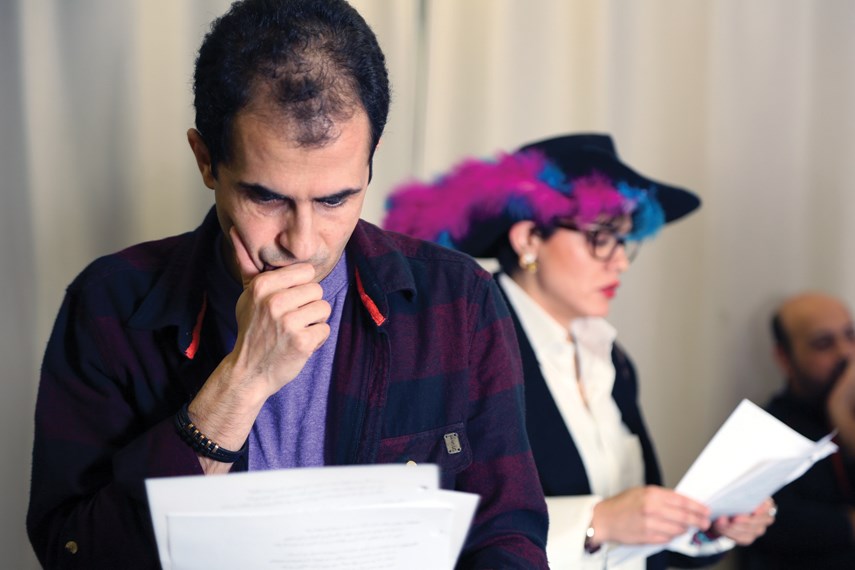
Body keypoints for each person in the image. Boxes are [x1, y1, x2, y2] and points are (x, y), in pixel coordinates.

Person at [25, 1, 549, 568]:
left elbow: (507, 537)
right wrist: (241, 384)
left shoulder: (458, 301)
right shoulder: (110, 305)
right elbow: (72, 553)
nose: (303, 243)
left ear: (370, 164)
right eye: (267, 197)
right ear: (206, 161)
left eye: (335, 199)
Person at [383, 133, 775, 569]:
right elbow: (430, 525)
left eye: (624, 240)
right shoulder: (463, 347)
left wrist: (705, 525)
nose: (620, 261)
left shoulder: (610, 358)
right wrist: (594, 523)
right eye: (601, 236)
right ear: (529, 239)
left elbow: (633, 538)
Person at [739, 292, 855, 569]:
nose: (845, 353)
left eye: (850, 336)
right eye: (823, 344)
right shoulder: (765, 432)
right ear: (784, 356)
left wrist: (842, 415)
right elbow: (785, 526)